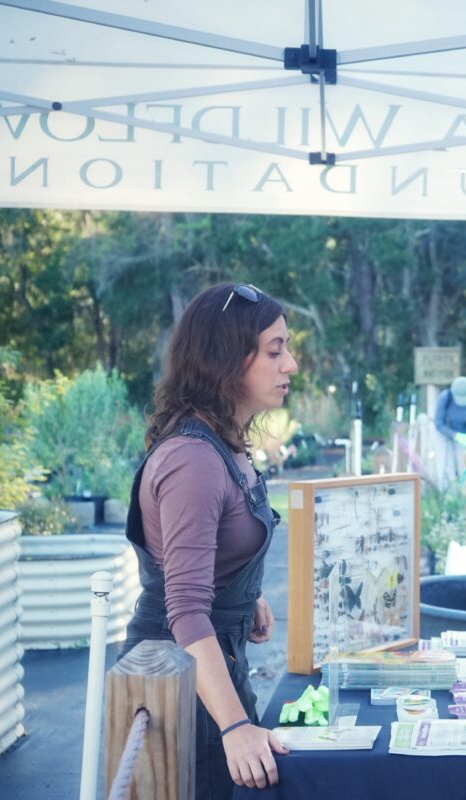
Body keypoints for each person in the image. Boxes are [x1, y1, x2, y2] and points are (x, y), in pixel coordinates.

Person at [119, 283, 297, 798]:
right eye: (274, 350)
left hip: (215, 669)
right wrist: (236, 728)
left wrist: (244, 594)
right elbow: (187, 609)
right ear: (225, 357)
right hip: (179, 683)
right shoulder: (192, 459)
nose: (290, 364)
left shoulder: (224, 441)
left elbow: (201, 557)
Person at [433, 375, 466, 491]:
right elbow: (438, 423)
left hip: (463, 435)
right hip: (444, 434)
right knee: (446, 466)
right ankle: (448, 496)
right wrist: (455, 435)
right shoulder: (445, 397)